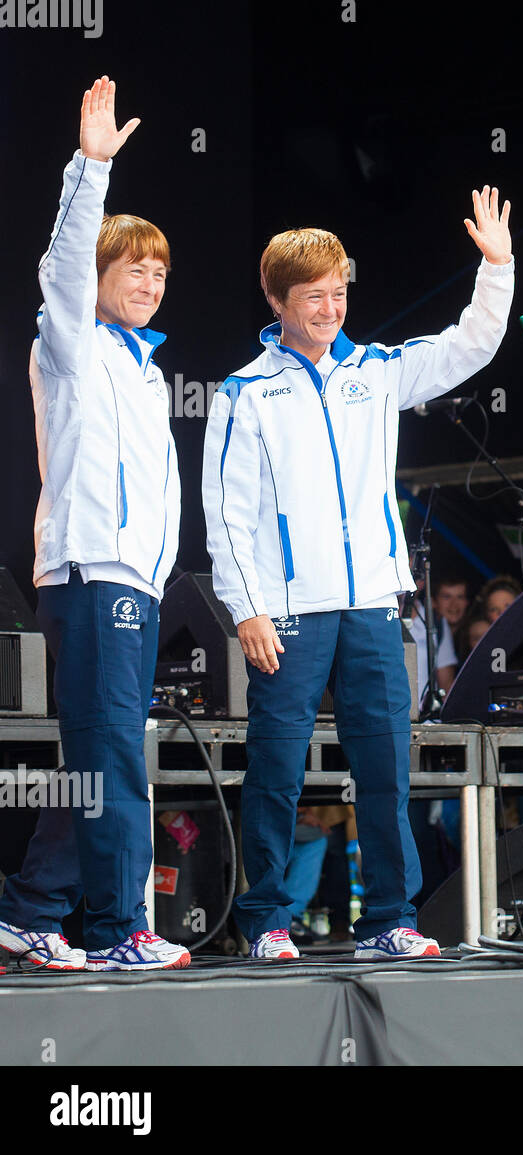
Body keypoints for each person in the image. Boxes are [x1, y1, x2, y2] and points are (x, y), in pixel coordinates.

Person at [202, 188, 514, 960]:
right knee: (275, 771)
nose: (331, 308)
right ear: (277, 298)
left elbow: (467, 344)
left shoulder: (377, 372)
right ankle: (267, 920)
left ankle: (389, 919)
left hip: (375, 604)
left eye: (340, 292)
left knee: (386, 769)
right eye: (314, 296)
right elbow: (227, 513)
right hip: (289, 611)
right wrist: (247, 606)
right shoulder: (245, 393)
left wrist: (498, 267)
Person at [0, 78, 189, 971]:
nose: (148, 281)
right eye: (133, 269)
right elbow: (64, 265)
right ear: (101, 281)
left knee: (96, 756)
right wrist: (92, 168)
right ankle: (119, 932)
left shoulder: (147, 372)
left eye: (159, 270)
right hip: (89, 573)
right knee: (113, 759)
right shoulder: (71, 341)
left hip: (132, 583)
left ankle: (31, 910)